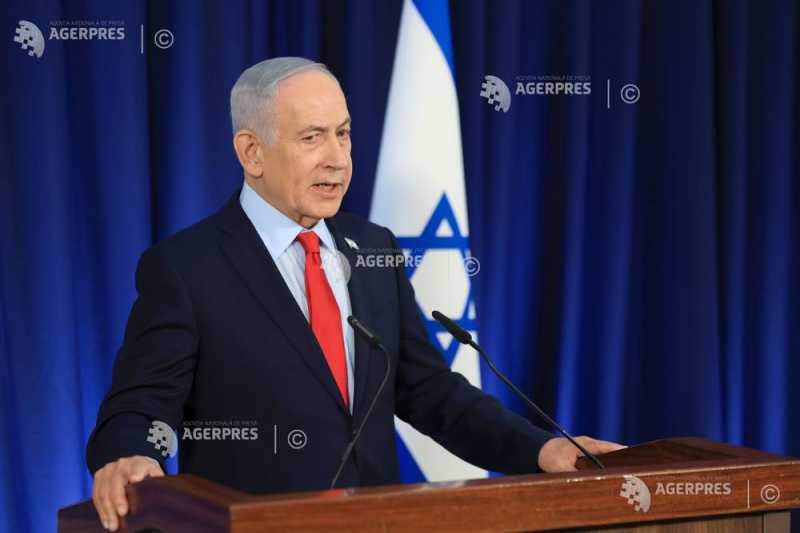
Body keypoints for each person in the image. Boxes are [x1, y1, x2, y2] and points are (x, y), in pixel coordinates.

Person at [87, 57, 623, 532]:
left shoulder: (373, 248)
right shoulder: (187, 267)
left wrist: (541, 447)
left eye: (343, 134)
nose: (338, 158)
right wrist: (132, 453)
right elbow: (141, 403)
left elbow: (429, 391)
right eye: (312, 138)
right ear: (252, 152)